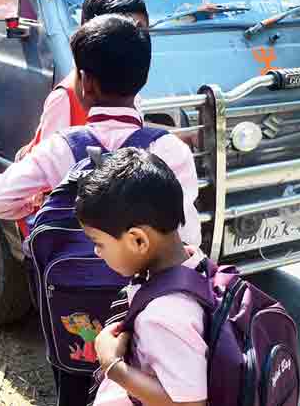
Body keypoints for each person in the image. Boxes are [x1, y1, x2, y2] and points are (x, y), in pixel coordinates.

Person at [0, 14, 202, 406]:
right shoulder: (170, 150)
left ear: (85, 81)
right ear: (142, 79)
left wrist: (36, 198)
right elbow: (190, 238)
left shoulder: (64, 147)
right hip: (147, 313)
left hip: (71, 309)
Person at [79, 148, 208, 406]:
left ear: (138, 240)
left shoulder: (164, 315)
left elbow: (188, 403)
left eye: (99, 243)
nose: (96, 251)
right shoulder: (194, 262)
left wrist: (112, 365)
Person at [17, 0, 149, 160]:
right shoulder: (65, 98)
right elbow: (46, 166)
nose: (132, 42)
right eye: (118, 33)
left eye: (140, 30)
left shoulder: (130, 92)